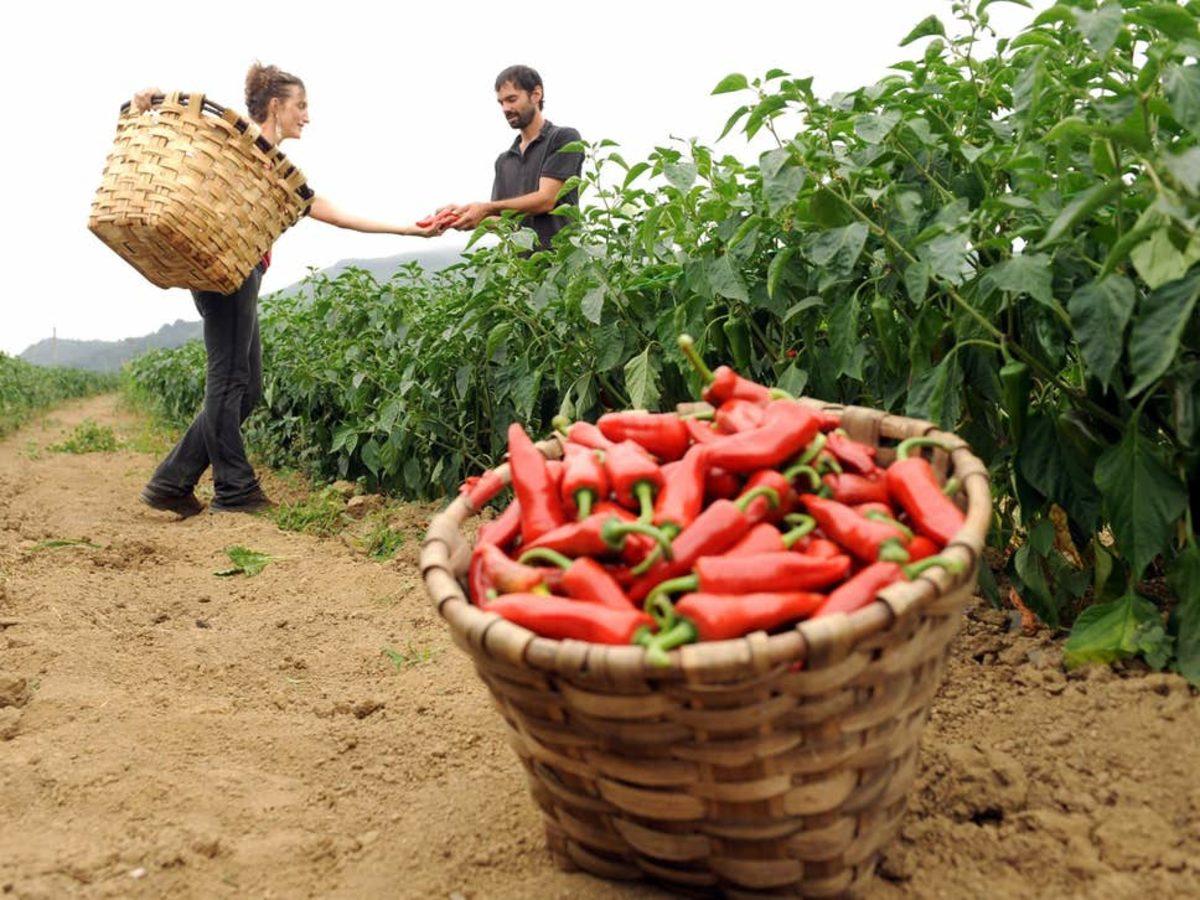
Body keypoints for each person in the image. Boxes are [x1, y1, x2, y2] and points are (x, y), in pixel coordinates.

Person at [134, 63, 445, 517]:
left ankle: (171, 482)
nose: (307, 115)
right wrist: (152, 99)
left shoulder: (278, 170)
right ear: (276, 106)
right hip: (227, 272)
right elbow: (190, 131)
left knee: (250, 387)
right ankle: (234, 490)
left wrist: (409, 231)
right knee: (229, 379)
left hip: (244, 276)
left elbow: (333, 212)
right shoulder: (239, 143)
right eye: (301, 105)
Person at [441, 65, 583, 250]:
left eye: (512, 99)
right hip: (523, 272)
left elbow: (546, 200)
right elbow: (502, 221)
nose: (505, 108)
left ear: (536, 94)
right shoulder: (504, 161)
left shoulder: (563, 138)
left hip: (562, 266)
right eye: (501, 102)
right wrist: (461, 216)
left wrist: (484, 208)